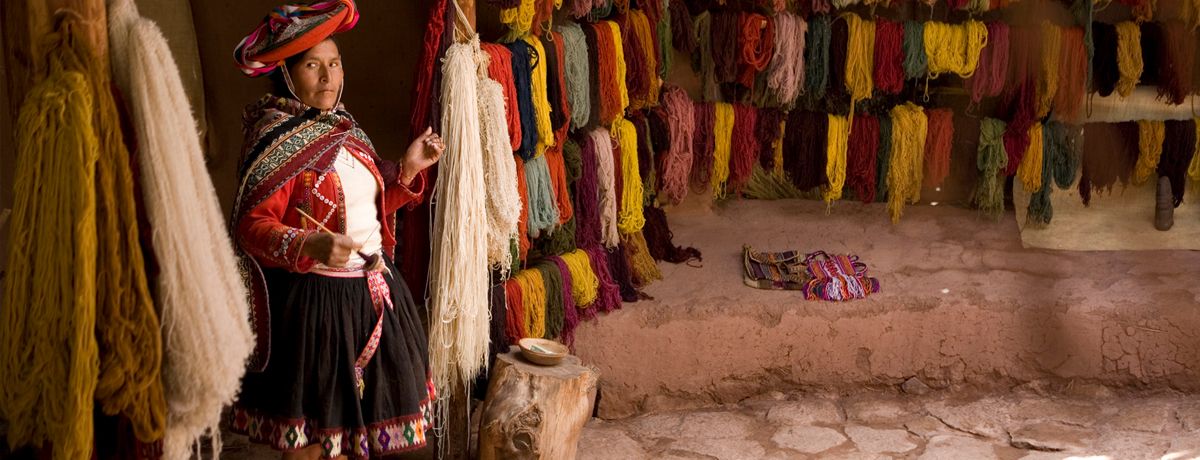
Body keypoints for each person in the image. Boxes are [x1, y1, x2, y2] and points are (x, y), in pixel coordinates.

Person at [226, 1, 442, 458]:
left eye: (334, 63)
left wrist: (406, 168)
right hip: (316, 312)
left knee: (353, 440)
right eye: (312, 66)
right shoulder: (274, 141)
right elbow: (251, 227)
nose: (328, 78)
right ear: (286, 73)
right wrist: (311, 244)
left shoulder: (345, 130)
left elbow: (372, 202)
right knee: (313, 443)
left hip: (373, 296)